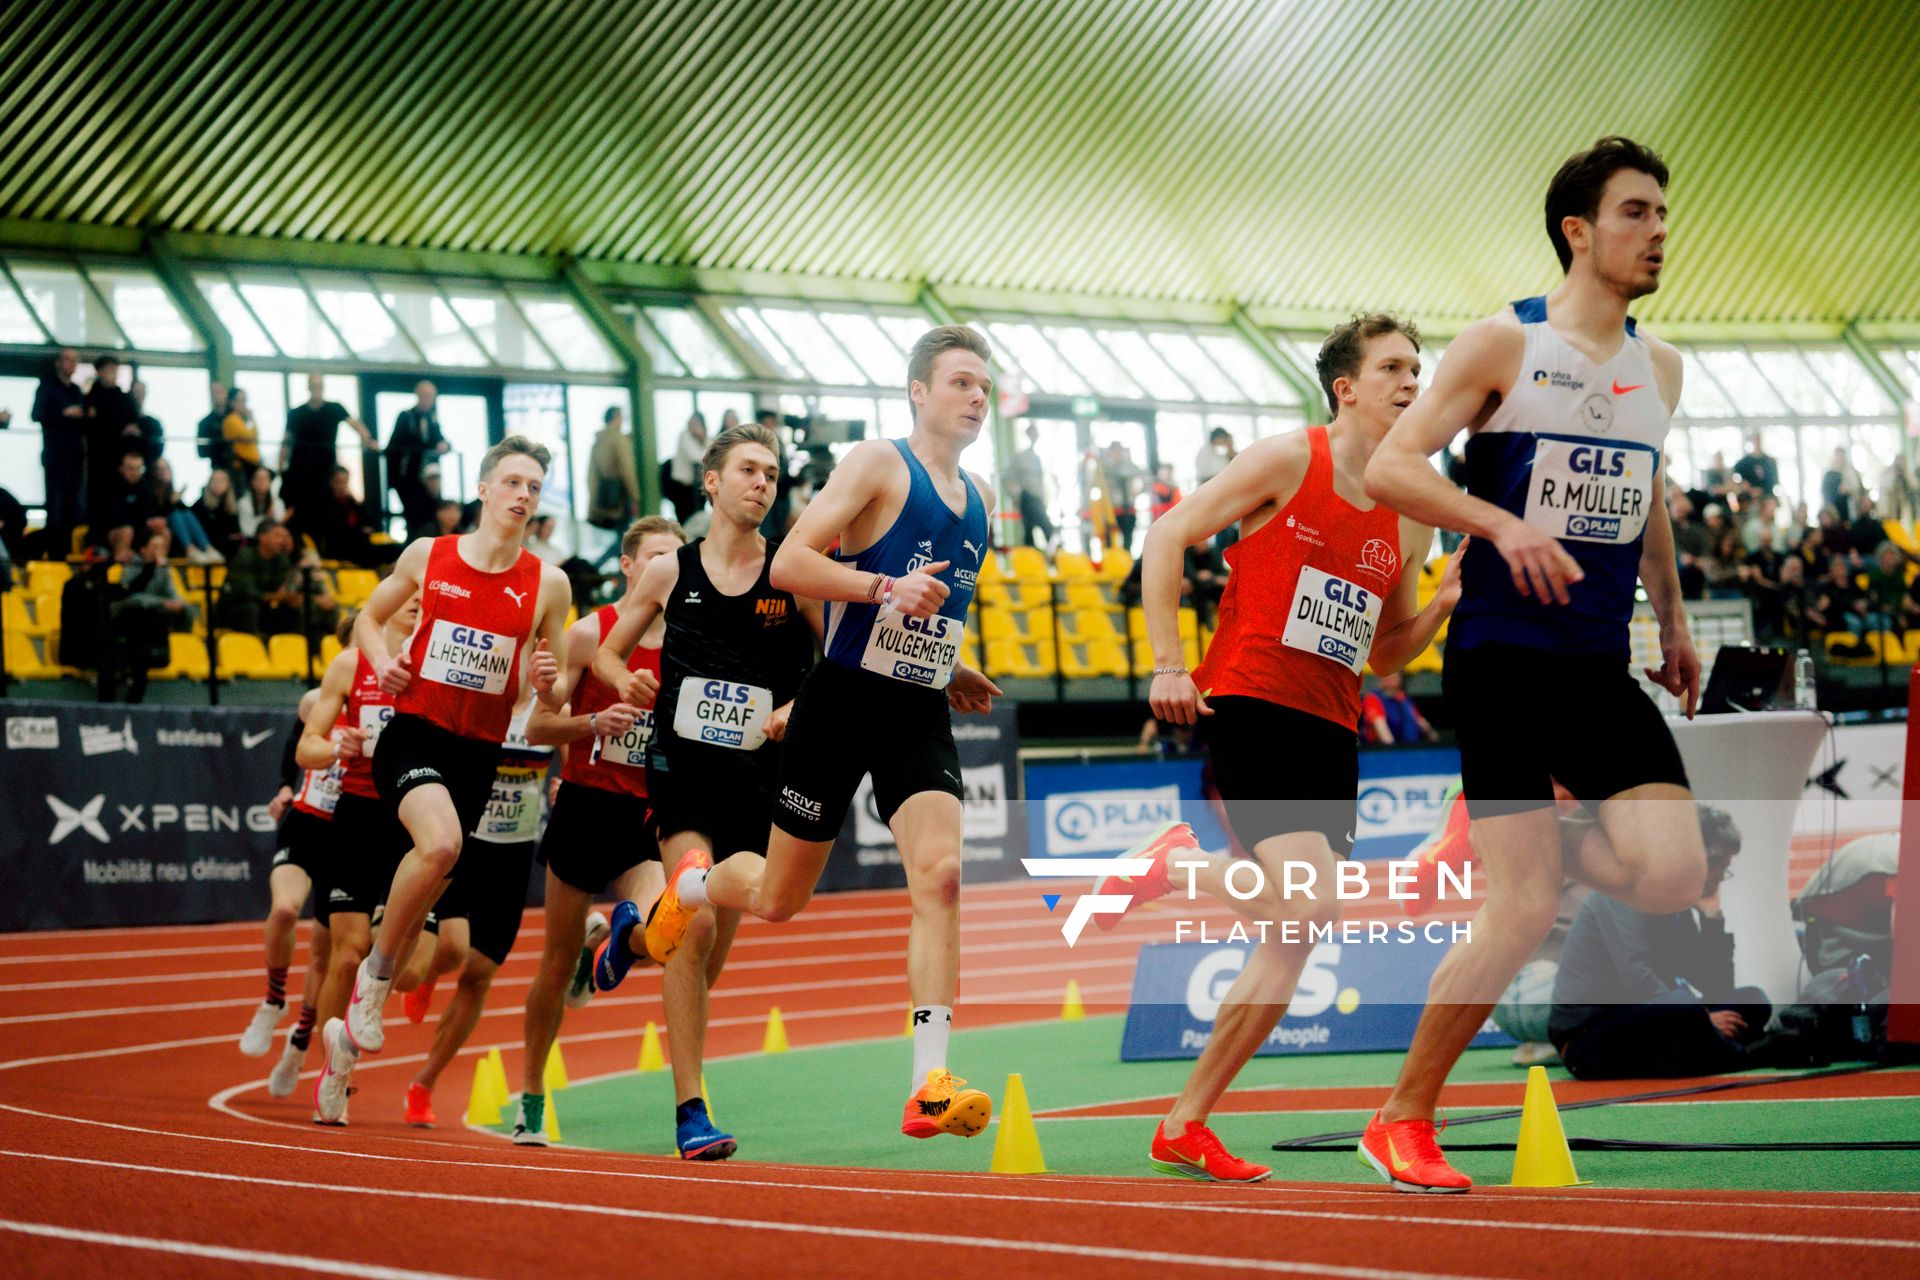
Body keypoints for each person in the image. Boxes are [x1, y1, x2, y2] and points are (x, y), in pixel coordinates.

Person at [1360, 137, 1709, 1192]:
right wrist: (1499, 526)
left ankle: (1533, 837)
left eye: (1661, 213)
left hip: (1599, 661)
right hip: (1504, 657)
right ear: (1578, 230)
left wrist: (1675, 624)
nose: (1659, 231)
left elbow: (1644, 498)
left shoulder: (1663, 368)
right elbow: (1388, 463)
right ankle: (1401, 1115)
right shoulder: (1500, 345)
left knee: (1677, 868)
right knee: (1518, 911)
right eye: (1637, 212)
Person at [1095, 313, 1460, 1183]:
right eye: (1394, 368)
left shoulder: (1414, 509)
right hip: (1253, 703)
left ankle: (1185, 1122)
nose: (1413, 380)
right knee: (1307, 910)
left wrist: (1443, 602)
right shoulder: (1289, 459)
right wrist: (1169, 662)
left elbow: (1382, 652)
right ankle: (1174, 867)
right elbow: (1165, 535)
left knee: (1297, 936)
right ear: (1347, 387)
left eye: (1419, 367)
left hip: (1335, 729)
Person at [638, 326, 1005, 1141]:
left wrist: (954, 664)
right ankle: (687, 891)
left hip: (915, 708)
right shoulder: (879, 464)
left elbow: (925, 616)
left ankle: (929, 1083)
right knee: (775, 898)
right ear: (919, 392)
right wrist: (883, 586)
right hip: (837, 704)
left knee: (941, 875)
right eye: (962, 383)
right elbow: (791, 565)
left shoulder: (979, 498)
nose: (978, 397)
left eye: (985, 387)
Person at [316, 436, 571, 1115]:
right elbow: (368, 620)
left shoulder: (549, 582)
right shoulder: (430, 555)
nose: (524, 495)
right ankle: (374, 981)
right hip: (415, 732)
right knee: (443, 845)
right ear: (484, 491)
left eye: (535, 487)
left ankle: (341, 1055)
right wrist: (386, 661)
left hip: (480, 752)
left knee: (436, 868)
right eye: (513, 482)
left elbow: (553, 695)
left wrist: (549, 681)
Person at [591, 437, 824, 1157]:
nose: (763, 485)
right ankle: (692, 1113)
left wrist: (798, 706)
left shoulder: (794, 570)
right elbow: (609, 649)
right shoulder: (669, 570)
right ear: (713, 481)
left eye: (773, 476)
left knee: (708, 938)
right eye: (749, 472)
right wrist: (622, 678)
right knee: (693, 930)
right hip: (683, 770)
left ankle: (629, 936)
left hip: (759, 779)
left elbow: (839, 659)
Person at [516, 517, 700, 1149]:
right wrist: (594, 723)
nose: (670, 570)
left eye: (679, 559)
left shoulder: (689, 641)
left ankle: (616, 936)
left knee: (668, 934)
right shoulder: (592, 633)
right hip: (585, 809)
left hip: (645, 819)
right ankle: (533, 1093)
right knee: (553, 962)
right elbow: (539, 730)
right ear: (629, 567)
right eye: (657, 559)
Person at [399, 683, 556, 1128]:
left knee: (479, 974)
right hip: (465, 843)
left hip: (512, 855)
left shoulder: (552, 705)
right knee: (451, 947)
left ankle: (423, 1083)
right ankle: (427, 973)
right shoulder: (479, 697)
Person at [301, 595, 418, 1125]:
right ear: (386, 603)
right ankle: (334, 1071)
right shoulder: (351, 664)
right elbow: (307, 747)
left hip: (413, 818)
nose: (417, 602)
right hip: (357, 816)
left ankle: (351, 1030)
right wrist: (335, 747)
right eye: (408, 594)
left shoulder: (437, 659)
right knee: (347, 955)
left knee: (409, 969)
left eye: (425, 596)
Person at [1549, 809, 1768, 1079]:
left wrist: (1712, 916)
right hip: (1586, 1039)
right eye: (1721, 867)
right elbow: (1639, 981)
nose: (1722, 878)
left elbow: (1716, 986)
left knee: (1754, 1000)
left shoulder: (1675, 901)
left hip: (1652, 1019)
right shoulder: (1619, 893)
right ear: (1697, 862)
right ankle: (1740, 1055)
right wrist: (1703, 1019)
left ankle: (1706, 1052)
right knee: (1683, 1006)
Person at [241, 690, 337, 1103]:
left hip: (350, 833)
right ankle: (274, 999)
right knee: (283, 909)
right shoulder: (319, 700)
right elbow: (294, 745)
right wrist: (284, 787)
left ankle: (299, 1042)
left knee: (324, 955)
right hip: (306, 821)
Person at [282, 374, 372, 542]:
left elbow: (354, 423)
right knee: (302, 507)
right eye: (314, 386)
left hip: (325, 467)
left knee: (325, 506)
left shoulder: (334, 408)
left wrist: (368, 439)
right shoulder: (296, 413)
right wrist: (282, 466)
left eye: (319, 386)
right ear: (308, 388)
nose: (317, 389)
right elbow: (287, 440)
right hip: (301, 469)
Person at [33, 348, 86, 551]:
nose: (71, 365)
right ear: (58, 363)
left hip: (74, 454)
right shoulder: (47, 386)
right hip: (55, 454)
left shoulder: (75, 390)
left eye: (75, 360)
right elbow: (36, 414)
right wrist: (63, 413)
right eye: (67, 360)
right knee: (55, 503)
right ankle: (55, 551)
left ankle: (69, 547)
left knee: (72, 503)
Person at [85, 357, 141, 543]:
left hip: (121, 459)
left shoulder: (125, 398)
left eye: (115, 369)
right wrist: (118, 430)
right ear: (100, 371)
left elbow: (134, 423)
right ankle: (97, 541)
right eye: (109, 369)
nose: (113, 373)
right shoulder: (92, 397)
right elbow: (91, 428)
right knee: (99, 500)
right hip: (99, 460)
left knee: (120, 499)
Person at [385, 381, 446, 532]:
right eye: (425, 395)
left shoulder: (432, 418)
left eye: (431, 396)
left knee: (429, 514)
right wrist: (392, 480)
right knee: (414, 516)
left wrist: (444, 445)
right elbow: (395, 446)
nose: (428, 399)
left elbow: (439, 439)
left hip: (426, 476)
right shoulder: (406, 417)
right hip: (407, 476)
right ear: (417, 396)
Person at [216, 522, 296, 634]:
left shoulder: (282, 560)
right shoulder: (245, 557)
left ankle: (291, 648)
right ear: (262, 537)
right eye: (277, 535)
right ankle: (251, 649)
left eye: (285, 536)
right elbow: (245, 592)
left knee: (293, 610)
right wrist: (274, 596)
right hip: (233, 610)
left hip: (263, 608)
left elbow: (284, 589)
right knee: (251, 608)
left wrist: (290, 596)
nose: (282, 540)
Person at [587, 406, 641, 563]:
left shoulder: (598, 441)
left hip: (605, 496)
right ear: (616, 417)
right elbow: (627, 469)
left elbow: (591, 474)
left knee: (622, 537)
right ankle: (596, 566)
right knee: (625, 541)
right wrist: (635, 497)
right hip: (621, 497)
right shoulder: (618, 439)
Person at [150, 457, 222, 564]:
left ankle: (207, 547)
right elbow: (157, 514)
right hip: (162, 526)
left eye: (166, 468)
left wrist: (177, 499)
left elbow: (184, 510)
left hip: (175, 526)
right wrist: (171, 503)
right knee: (175, 515)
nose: (164, 471)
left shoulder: (171, 491)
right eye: (160, 469)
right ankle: (190, 549)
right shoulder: (150, 492)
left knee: (186, 513)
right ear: (154, 472)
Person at [99, 447, 164, 561]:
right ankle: (122, 563)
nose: (135, 472)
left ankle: (157, 567)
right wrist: (144, 521)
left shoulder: (144, 486)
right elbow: (115, 519)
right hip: (113, 534)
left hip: (139, 532)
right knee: (127, 531)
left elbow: (150, 513)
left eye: (139, 468)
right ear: (121, 468)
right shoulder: (112, 487)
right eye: (131, 468)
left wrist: (154, 522)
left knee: (163, 532)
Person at [311, 466, 379, 567]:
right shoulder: (325, 505)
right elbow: (337, 530)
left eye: (345, 482)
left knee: (392, 549)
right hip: (339, 549)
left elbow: (369, 523)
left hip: (359, 545)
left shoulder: (352, 503)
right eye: (339, 482)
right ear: (331, 483)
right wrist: (359, 530)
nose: (342, 486)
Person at [1362, 670, 1439, 745]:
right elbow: (1384, 734)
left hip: (1410, 748)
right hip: (1384, 751)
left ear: (1400, 679)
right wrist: (1394, 752)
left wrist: (1435, 739)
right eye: (1386, 676)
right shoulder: (1372, 699)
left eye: (1393, 676)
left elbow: (1422, 723)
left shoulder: (1404, 699)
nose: (1389, 679)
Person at [1011, 423, 1054, 550]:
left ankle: (1053, 557)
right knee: (1035, 531)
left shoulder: (1037, 457)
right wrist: (1014, 494)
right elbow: (1008, 477)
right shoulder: (1021, 457)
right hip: (1027, 498)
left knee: (1038, 531)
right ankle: (1030, 562)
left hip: (1037, 498)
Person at [662, 412, 709, 523]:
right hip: (682, 488)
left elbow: (713, 453)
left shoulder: (704, 439)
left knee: (699, 522)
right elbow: (697, 457)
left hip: (697, 488)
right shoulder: (684, 436)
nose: (694, 426)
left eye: (697, 423)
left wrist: (703, 439)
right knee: (686, 522)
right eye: (692, 423)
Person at [191, 468, 242, 561]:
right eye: (215, 480)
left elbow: (236, 533)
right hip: (205, 550)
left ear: (228, 484)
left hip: (227, 552)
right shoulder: (200, 505)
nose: (218, 484)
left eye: (222, 480)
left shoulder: (232, 507)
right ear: (209, 483)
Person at [222, 388, 263, 479]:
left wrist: (251, 419)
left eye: (244, 401)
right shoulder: (231, 419)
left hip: (252, 464)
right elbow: (248, 437)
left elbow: (256, 439)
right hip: (241, 466)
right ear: (231, 402)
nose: (243, 405)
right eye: (240, 401)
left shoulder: (243, 420)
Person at [238, 464, 284, 538]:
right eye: (258, 478)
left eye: (265, 478)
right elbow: (247, 531)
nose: (261, 482)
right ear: (252, 482)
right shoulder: (243, 503)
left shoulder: (278, 502)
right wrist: (267, 519)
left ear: (270, 482)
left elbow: (280, 526)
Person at [195, 379, 230, 475]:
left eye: (219, 391)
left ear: (225, 393)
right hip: (218, 467)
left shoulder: (237, 418)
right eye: (213, 392)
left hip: (240, 467)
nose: (216, 396)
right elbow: (201, 451)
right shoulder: (204, 423)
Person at [1732, 431, 1778, 502]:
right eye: (1755, 439)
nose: (1757, 442)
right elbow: (1734, 476)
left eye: (1758, 439)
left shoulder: (1770, 462)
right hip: (1748, 497)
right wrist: (1742, 485)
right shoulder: (1744, 462)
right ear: (1751, 441)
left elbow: (1774, 481)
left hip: (1767, 496)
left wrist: (1761, 491)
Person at [129, 380, 165, 463]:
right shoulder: (122, 421)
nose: (139, 395)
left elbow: (157, 450)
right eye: (136, 391)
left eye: (141, 392)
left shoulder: (154, 424)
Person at [1821, 447, 1858, 524]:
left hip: (1848, 511)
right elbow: (1825, 493)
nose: (1840, 459)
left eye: (1842, 456)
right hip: (1832, 511)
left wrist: (1848, 490)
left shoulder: (1850, 472)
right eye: (1838, 456)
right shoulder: (1829, 474)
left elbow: (1857, 489)